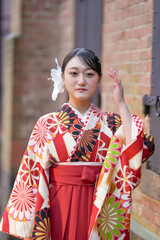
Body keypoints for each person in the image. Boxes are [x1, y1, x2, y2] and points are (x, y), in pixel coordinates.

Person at [0, 48, 154, 240]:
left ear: (98, 80)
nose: (81, 81)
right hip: (59, 206)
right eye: (74, 73)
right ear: (63, 77)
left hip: (101, 203)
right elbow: (30, 172)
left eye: (89, 74)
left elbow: (137, 151)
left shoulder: (113, 123)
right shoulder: (47, 123)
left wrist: (121, 103)